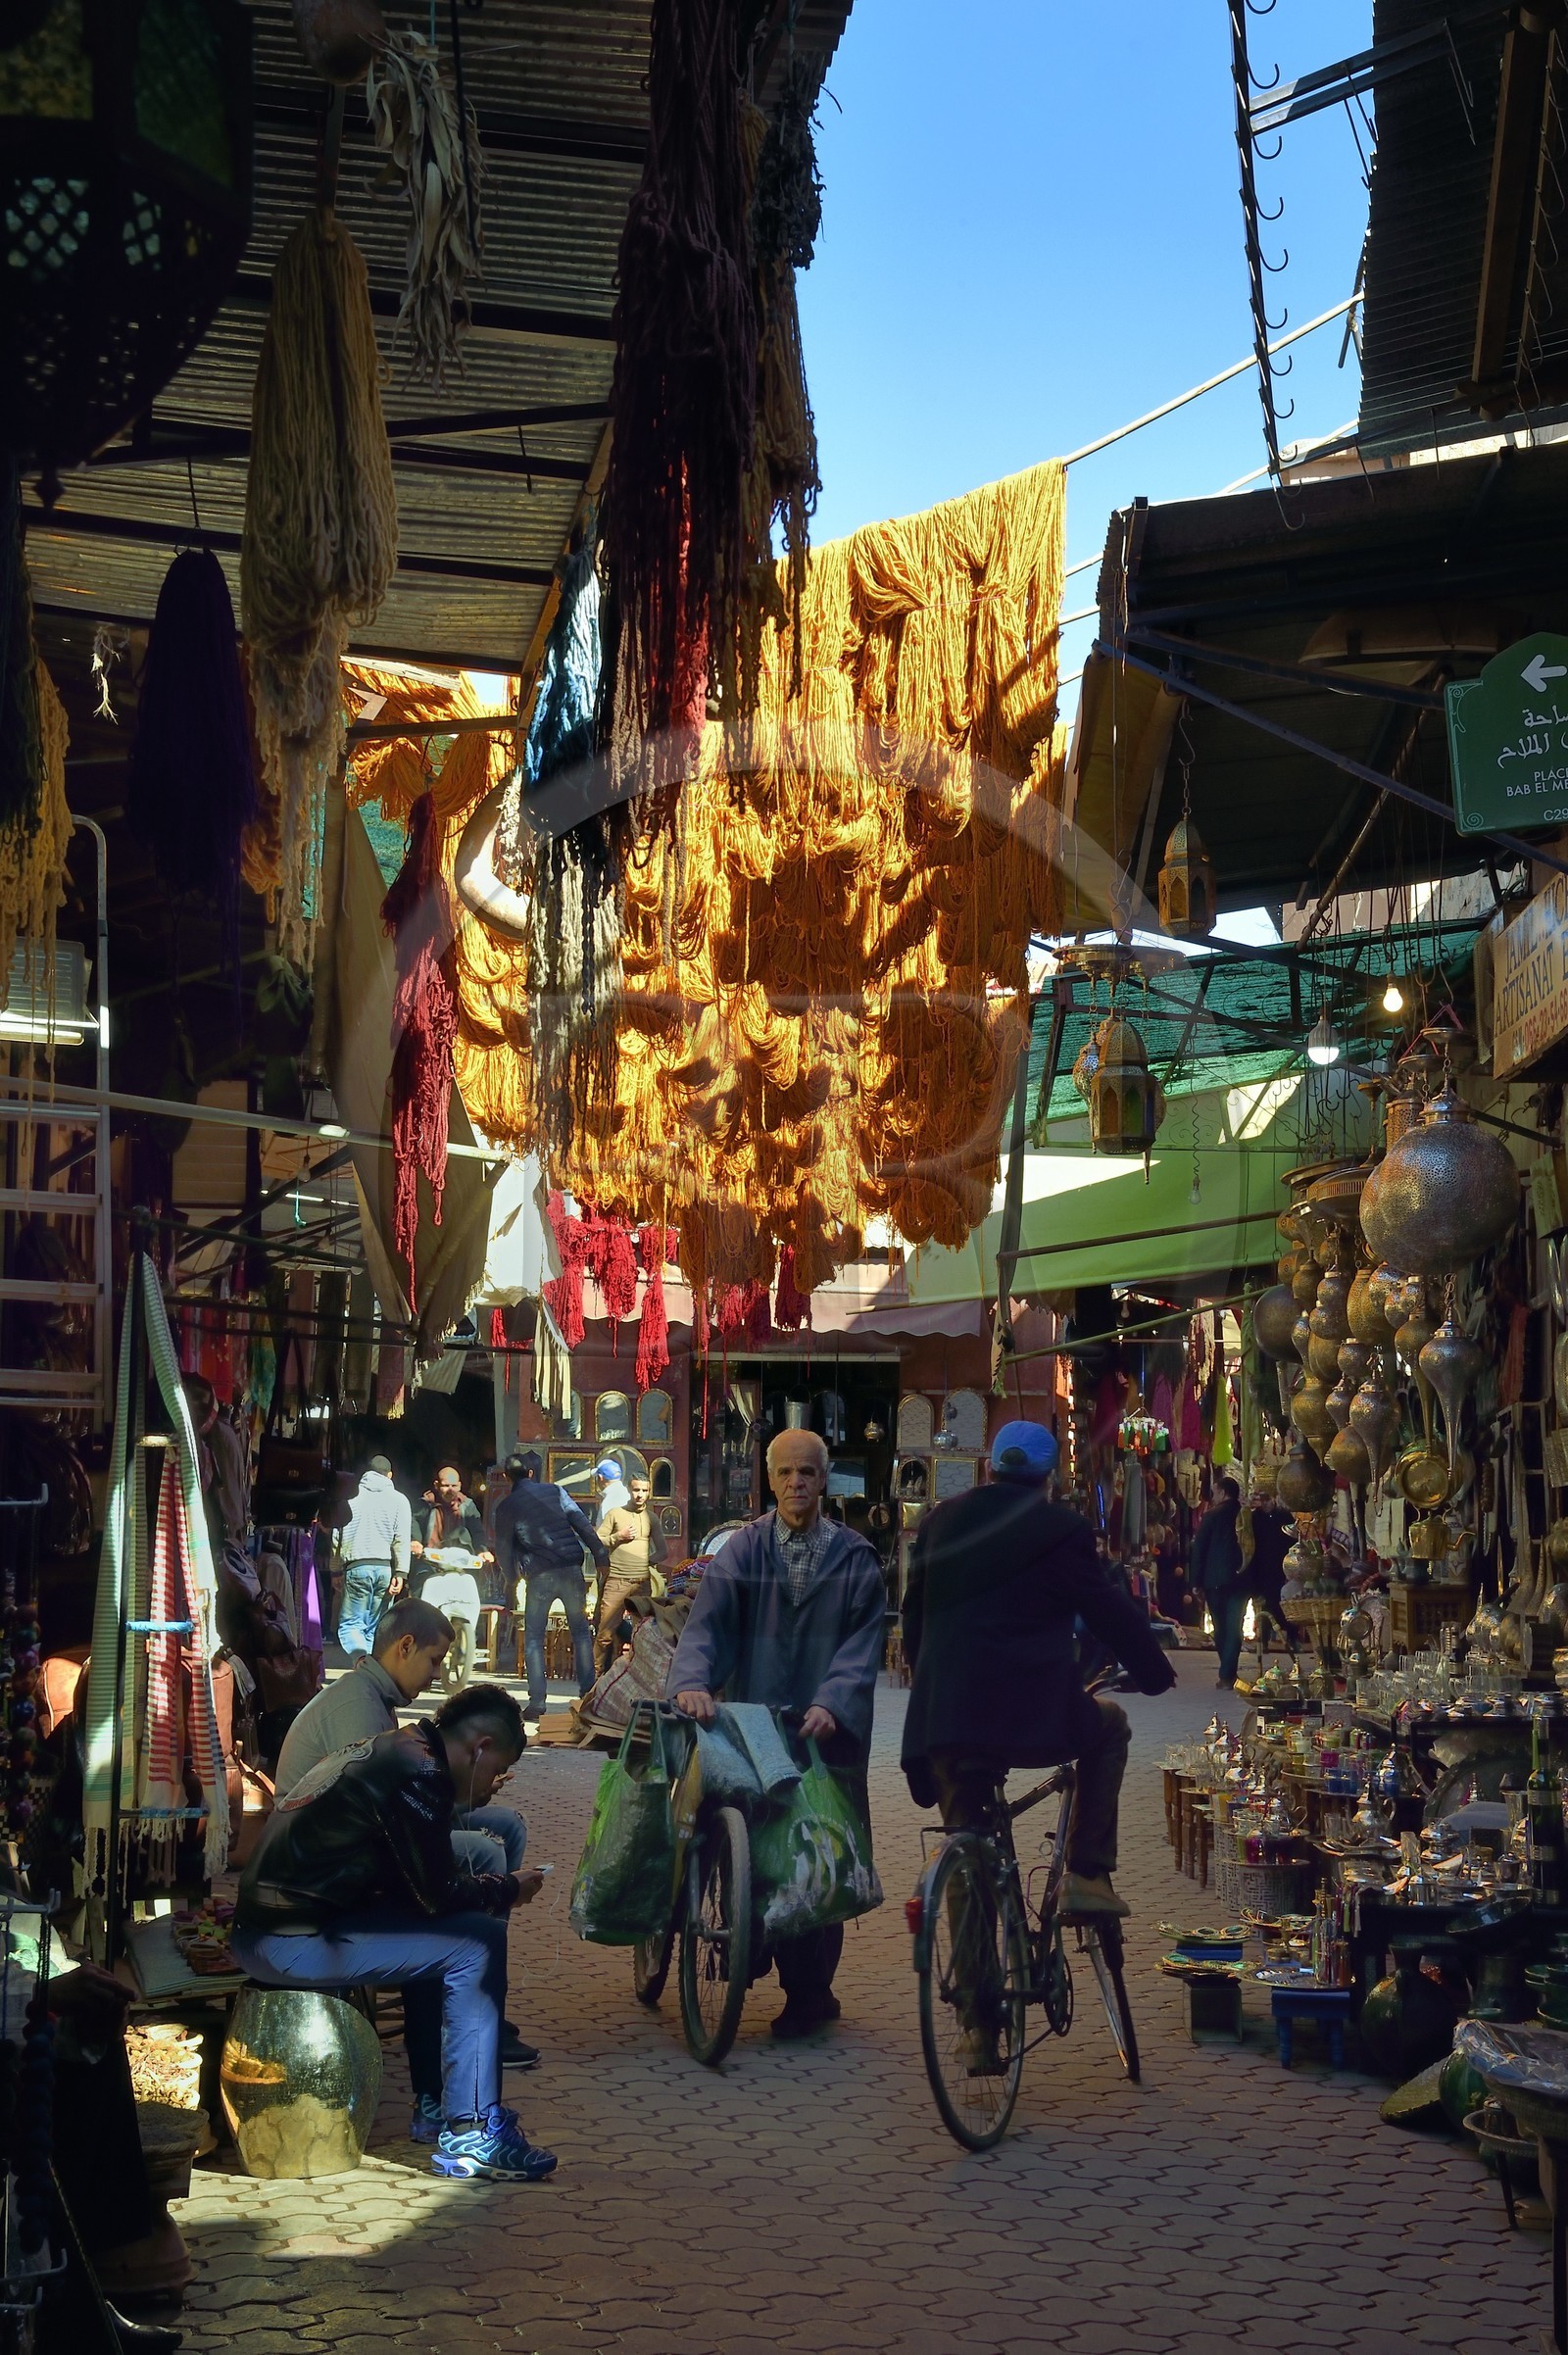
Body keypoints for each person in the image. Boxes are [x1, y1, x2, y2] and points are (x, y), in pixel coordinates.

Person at [232, 1683, 556, 2183]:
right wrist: (507, 1887)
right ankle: (471, 2129)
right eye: (494, 1771)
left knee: (447, 1938)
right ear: (481, 1747)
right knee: (479, 1943)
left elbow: (418, 1891)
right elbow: (438, 1893)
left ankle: (437, 2109)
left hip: (282, 1927)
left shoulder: (401, 1749)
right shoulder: (420, 1770)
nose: (491, 1782)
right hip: (287, 1941)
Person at [900, 1420, 1175, 1920]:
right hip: (1030, 1718)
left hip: (947, 1721)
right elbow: (1104, 1607)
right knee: (1110, 1725)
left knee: (966, 1845)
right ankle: (1087, 1873)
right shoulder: (1061, 1528)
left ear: (989, 1467)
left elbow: (914, 1614)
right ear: (1050, 1478)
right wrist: (1153, 1672)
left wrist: (927, 1687)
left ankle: (972, 1994)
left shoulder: (942, 1521)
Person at [669, 1427, 885, 2039]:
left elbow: (861, 1644)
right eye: (786, 1473)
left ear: (825, 1480)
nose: (797, 1483)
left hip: (824, 1732)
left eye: (809, 1473)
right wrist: (694, 1682)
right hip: (755, 1724)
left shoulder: (853, 1556)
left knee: (817, 1852)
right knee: (750, 1837)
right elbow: (707, 1625)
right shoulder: (743, 1551)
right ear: (770, 1480)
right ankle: (744, 1939)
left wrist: (834, 1702)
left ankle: (810, 1991)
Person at [273, 1595, 530, 1886]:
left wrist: (462, 1797)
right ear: (406, 1646)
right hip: (319, 1857)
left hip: (363, 1836)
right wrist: (459, 1798)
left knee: (508, 1827)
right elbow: (385, 1821)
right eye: (434, 1661)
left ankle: (477, 1926)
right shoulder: (358, 1705)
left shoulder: (377, 1699)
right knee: (484, 1850)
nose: (436, 1675)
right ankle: (468, 1930)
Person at [495, 1456, 608, 1722]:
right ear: (531, 1473)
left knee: (534, 1638)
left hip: (540, 1574)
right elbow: (581, 1523)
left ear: (505, 1477)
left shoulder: (506, 1507)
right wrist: (600, 1556)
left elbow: (503, 1548)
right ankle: (587, 1697)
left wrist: (512, 1579)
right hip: (571, 1567)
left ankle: (537, 1704)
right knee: (580, 1632)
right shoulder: (556, 1491)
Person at [336, 1455, 413, 1656]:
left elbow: (337, 1534)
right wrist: (401, 1573)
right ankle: (369, 1670)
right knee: (374, 1629)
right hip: (385, 1570)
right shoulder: (399, 1500)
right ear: (390, 1475)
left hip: (356, 1567)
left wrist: (335, 1569)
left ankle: (362, 1663)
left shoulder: (349, 1497)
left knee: (350, 1626)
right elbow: (402, 1539)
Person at [594, 1472, 665, 1673]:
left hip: (642, 1583)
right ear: (628, 1490)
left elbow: (663, 1551)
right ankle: (595, 1683)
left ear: (649, 1492)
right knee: (605, 1634)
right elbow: (598, 1540)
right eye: (636, 1490)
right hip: (617, 1580)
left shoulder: (651, 1518)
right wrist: (618, 1536)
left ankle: (638, 1676)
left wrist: (645, 1562)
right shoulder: (616, 1514)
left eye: (644, 1490)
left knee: (643, 1635)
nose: (640, 1495)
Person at [1191, 1474, 1246, 1688]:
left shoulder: (1212, 1516)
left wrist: (1195, 1582)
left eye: (1215, 1492)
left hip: (1215, 1580)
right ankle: (1228, 1672)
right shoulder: (1245, 1515)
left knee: (1221, 1627)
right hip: (1241, 1579)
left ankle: (1227, 1673)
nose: (1213, 1497)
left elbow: (1199, 1549)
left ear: (1223, 1493)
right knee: (1234, 1626)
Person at [1243, 1486, 1297, 1665]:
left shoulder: (1283, 1516)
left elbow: (1292, 1539)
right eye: (1262, 1499)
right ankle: (1263, 1639)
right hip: (1261, 1567)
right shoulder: (1255, 1518)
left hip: (1281, 1567)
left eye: (1267, 1499)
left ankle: (1291, 1638)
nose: (1264, 1503)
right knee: (1263, 1603)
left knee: (1283, 1604)